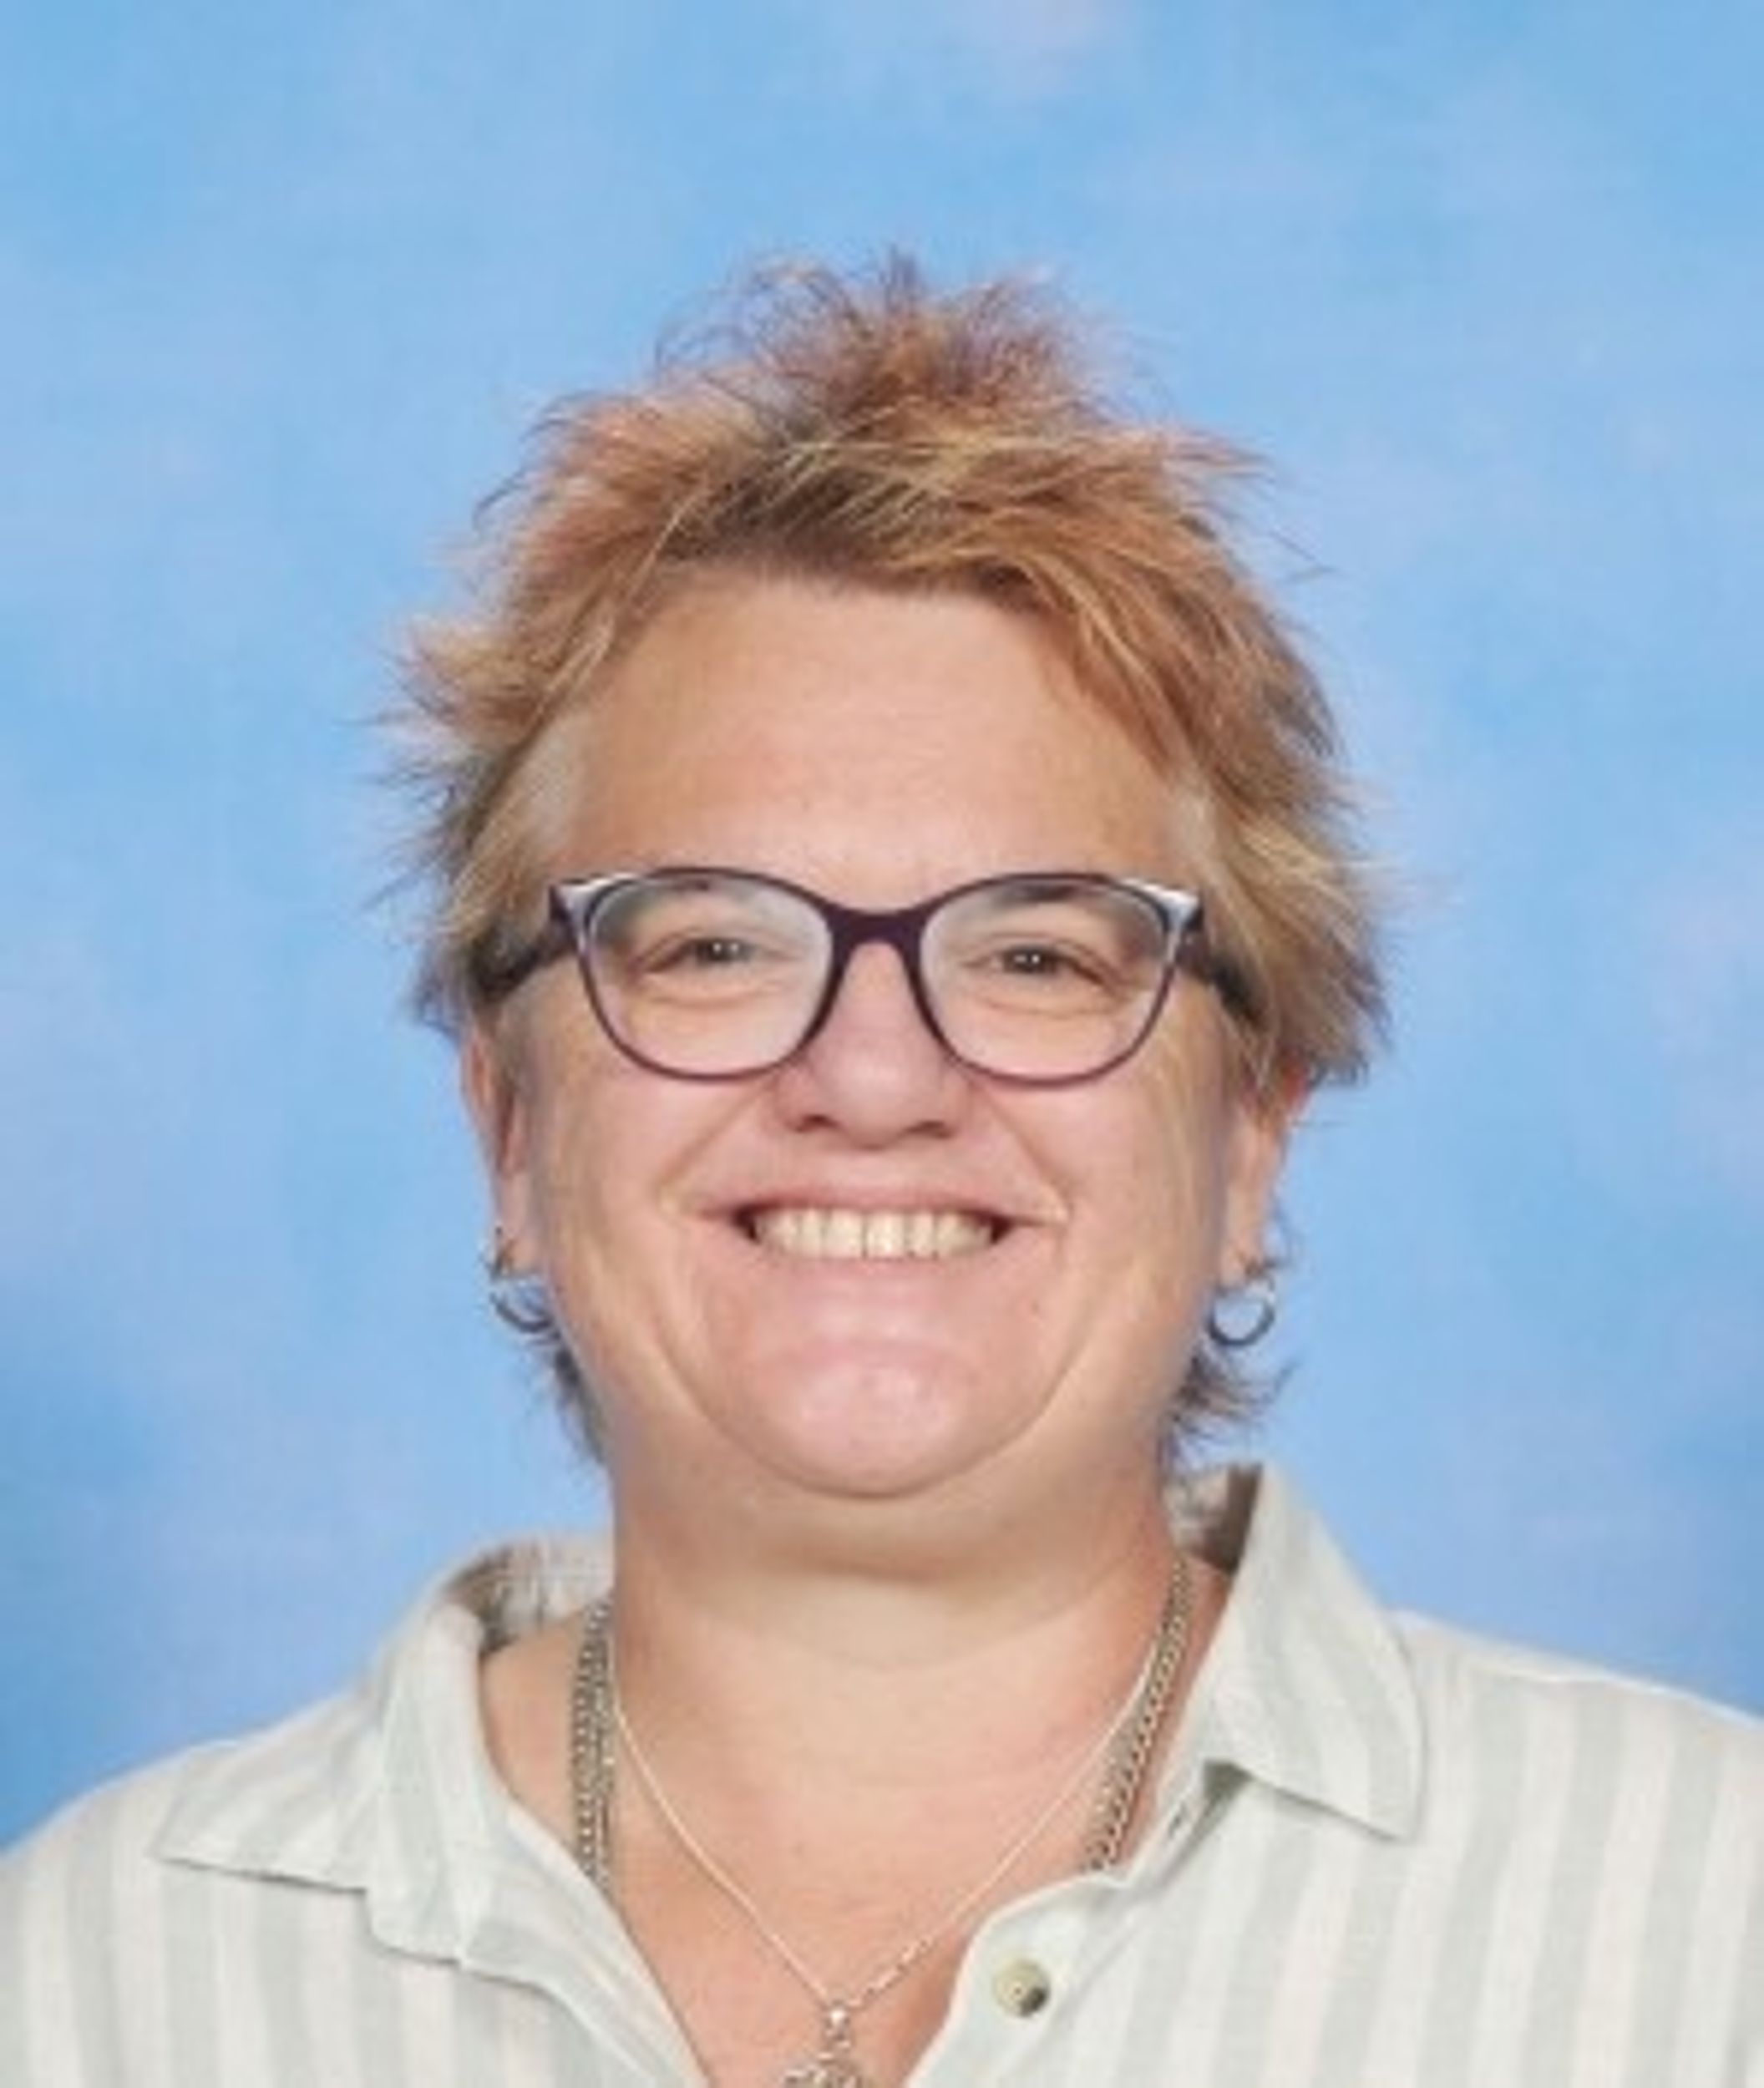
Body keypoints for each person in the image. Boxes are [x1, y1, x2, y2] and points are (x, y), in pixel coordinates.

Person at [2, 257, 1757, 2088]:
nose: (872, 1075)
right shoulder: (88, 1982)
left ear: (1253, 1134)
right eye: (711, 944)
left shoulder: (1711, 1935)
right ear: (509, 1128)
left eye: (1038, 955)